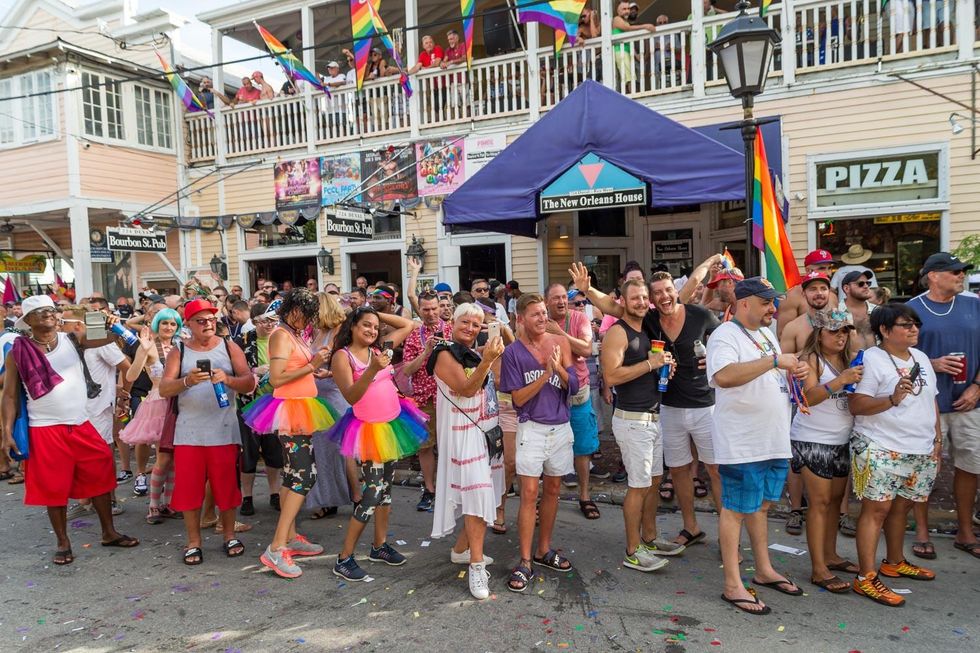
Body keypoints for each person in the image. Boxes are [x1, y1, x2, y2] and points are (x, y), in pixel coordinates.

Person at [575, 261, 721, 549]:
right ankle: (659, 538)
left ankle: (717, 541)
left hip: (689, 409)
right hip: (656, 412)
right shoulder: (636, 324)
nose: (660, 297)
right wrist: (587, 289)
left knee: (696, 474)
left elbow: (723, 336)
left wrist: (715, 359)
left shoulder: (685, 316)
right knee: (661, 477)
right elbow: (612, 308)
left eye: (667, 291)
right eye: (653, 294)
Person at [1, 295, 139, 565]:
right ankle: (63, 542)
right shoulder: (18, 352)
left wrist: (110, 324)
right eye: (41, 312)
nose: (49, 315)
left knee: (100, 470)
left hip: (80, 422)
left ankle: (109, 532)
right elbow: (8, 395)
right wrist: (6, 431)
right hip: (44, 427)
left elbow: (109, 341)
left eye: (51, 310)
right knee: (54, 487)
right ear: (28, 321)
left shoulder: (72, 338)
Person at [707, 277, 808, 615]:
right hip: (742, 442)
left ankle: (763, 570)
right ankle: (733, 584)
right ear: (745, 303)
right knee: (735, 509)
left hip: (772, 439)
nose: (773, 308)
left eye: (773, 302)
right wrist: (776, 362)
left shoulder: (765, 333)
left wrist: (794, 371)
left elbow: (770, 374)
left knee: (761, 506)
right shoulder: (725, 335)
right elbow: (723, 376)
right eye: (766, 302)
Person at [849, 303, 940, 606]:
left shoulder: (922, 358)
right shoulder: (872, 359)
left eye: (916, 324)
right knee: (877, 511)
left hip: (919, 447)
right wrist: (891, 399)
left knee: (902, 508)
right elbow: (856, 405)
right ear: (885, 331)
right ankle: (866, 577)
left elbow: (931, 401)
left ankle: (894, 562)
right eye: (905, 324)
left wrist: (936, 439)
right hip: (881, 445)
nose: (914, 328)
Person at [242, 290, 338, 578]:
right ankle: (277, 546)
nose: (307, 318)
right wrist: (313, 365)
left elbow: (295, 369)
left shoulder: (293, 333)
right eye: (304, 311)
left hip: (301, 409)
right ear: (292, 309)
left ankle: (291, 536)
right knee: (303, 475)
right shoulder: (281, 335)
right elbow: (279, 377)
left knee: (292, 475)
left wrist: (313, 372)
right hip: (290, 412)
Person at [328, 307, 428, 581]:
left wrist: (376, 316)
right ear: (352, 327)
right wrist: (372, 369)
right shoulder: (342, 356)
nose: (372, 331)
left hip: (392, 425)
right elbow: (351, 396)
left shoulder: (378, 350)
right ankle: (344, 558)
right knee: (371, 494)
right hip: (369, 432)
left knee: (385, 491)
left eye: (374, 327)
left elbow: (407, 325)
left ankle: (379, 546)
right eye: (365, 326)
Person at [159, 299, 255, 566]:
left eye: (212, 320)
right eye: (201, 321)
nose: (208, 325)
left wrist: (228, 379)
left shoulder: (229, 346)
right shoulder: (179, 350)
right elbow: (164, 389)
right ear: (188, 325)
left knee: (225, 485)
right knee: (189, 489)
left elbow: (248, 383)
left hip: (223, 430)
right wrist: (187, 381)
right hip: (189, 432)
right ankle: (194, 542)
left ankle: (229, 536)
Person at [596, 278, 680, 572]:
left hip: (652, 416)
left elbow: (648, 366)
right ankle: (633, 551)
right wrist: (650, 365)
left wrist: (664, 364)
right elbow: (612, 376)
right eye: (635, 298)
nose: (642, 302)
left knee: (653, 483)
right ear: (623, 301)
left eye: (645, 298)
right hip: (632, 421)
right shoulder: (618, 333)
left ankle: (650, 538)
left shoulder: (645, 329)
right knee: (638, 485)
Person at [498, 294, 577, 592]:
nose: (543, 318)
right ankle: (525, 560)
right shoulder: (513, 353)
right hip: (531, 428)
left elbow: (576, 385)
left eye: (544, 313)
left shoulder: (560, 343)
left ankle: (544, 550)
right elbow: (517, 398)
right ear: (521, 319)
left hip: (560, 427)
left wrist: (559, 370)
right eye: (535, 314)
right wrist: (546, 375)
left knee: (554, 489)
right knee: (529, 493)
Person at [430, 303, 506, 599]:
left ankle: (461, 550)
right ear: (453, 321)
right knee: (476, 494)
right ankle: (475, 565)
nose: (471, 328)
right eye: (466, 322)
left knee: (481, 492)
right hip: (463, 435)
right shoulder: (444, 354)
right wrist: (487, 361)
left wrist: (494, 353)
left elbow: (492, 386)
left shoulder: (474, 352)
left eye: (477, 324)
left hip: (483, 431)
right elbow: (466, 389)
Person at [910, 252, 980, 560]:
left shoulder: (974, 305)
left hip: (969, 402)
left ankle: (965, 530)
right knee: (926, 468)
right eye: (955, 271)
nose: (961, 275)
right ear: (933, 275)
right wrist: (931, 362)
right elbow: (895, 356)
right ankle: (922, 531)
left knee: (969, 466)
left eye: (962, 271)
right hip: (927, 405)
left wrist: (978, 386)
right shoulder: (911, 309)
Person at [791, 309, 863, 593]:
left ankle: (830, 555)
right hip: (812, 438)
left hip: (840, 439)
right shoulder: (810, 359)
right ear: (819, 333)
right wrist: (840, 380)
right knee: (819, 503)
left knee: (834, 502)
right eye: (834, 331)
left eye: (845, 331)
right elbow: (806, 398)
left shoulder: (849, 360)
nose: (840, 336)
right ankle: (819, 569)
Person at [544, 283, 602, 519]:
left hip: (578, 391)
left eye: (562, 298)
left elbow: (586, 349)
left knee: (583, 448)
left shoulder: (578, 318)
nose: (560, 302)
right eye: (556, 298)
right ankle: (546, 498)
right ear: (547, 301)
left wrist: (560, 334)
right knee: (548, 448)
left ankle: (585, 495)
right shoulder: (540, 318)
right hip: (548, 391)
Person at [120, 311, 182, 524]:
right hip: (158, 404)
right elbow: (131, 376)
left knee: (173, 459)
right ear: (157, 324)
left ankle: (168, 503)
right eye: (164, 323)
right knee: (163, 457)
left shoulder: (180, 346)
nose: (168, 327)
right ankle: (154, 506)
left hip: (179, 403)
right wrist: (142, 352)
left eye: (173, 323)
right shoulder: (148, 346)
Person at [305, 292, 356, 521]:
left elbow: (353, 365)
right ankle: (329, 498)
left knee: (341, 450)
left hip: (335, 395)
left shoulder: (340, 332)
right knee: (324, 452)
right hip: (317, 397)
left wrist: (330, 373)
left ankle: (355, 497)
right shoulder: (320, 332)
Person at [401, 289, 452, 512]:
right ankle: (430, 490)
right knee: (426, 447)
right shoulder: (413, 336)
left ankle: (450, 489)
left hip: (451, 396)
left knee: (451, 445)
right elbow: (407, 370)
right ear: (419, 310)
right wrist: (426, 351)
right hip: (425, 397)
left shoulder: (452, 329)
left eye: (434, 308)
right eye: (426, 309)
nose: (431, 313)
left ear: (441, 308)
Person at [233, 303, 284, 517]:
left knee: (275, 453)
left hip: (275, 403)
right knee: (249, 453)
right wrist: (255, 370)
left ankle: (275, 494)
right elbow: (233, 370)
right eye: (265, 320)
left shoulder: (281, 339)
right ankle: (247, 497)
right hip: (249, 403)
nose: (270, 324)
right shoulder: (241, 341)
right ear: (254, 321)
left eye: (274, 320)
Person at [777, 249, 838, 337]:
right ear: (808, 270)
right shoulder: (792, 297)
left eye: (829, 268)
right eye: (822, 268)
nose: (828, 273)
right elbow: (782, 334)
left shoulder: (832, 295)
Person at [612, 1, 656, 91]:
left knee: (631, 77)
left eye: (628, 9)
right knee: (629, 79)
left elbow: (628, 40)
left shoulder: (625, 21)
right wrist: (645, 26)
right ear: (618, 11)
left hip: (627, 51)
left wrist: (636, 55)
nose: (627, 11)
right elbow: (627, 28)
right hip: (620, 51)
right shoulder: (617, 19)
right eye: (624, 9)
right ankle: (630, 99)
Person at [840, 270, 879, 351]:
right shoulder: (836, 312)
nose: (866, 286)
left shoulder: (877, 310)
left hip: (876, 361)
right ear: (846, 288)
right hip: (849, 362)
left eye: (868, 283)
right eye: (860, 284)